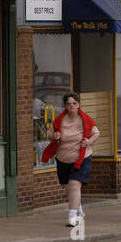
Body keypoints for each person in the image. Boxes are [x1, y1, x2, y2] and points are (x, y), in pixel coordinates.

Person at [40, 92, 99, 227]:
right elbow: (49, 134)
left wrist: (89, 142)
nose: (71, 106)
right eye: (68, 103)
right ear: (65, 105)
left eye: (74, 103)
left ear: (78, 105)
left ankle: (72, 217)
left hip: (81, 158)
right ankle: (79, 210)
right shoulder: (60, 120)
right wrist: (54, 136)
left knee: (74, 185)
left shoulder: (85, 119)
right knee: (68, 187)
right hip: (63, 158)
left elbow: (96, 133)